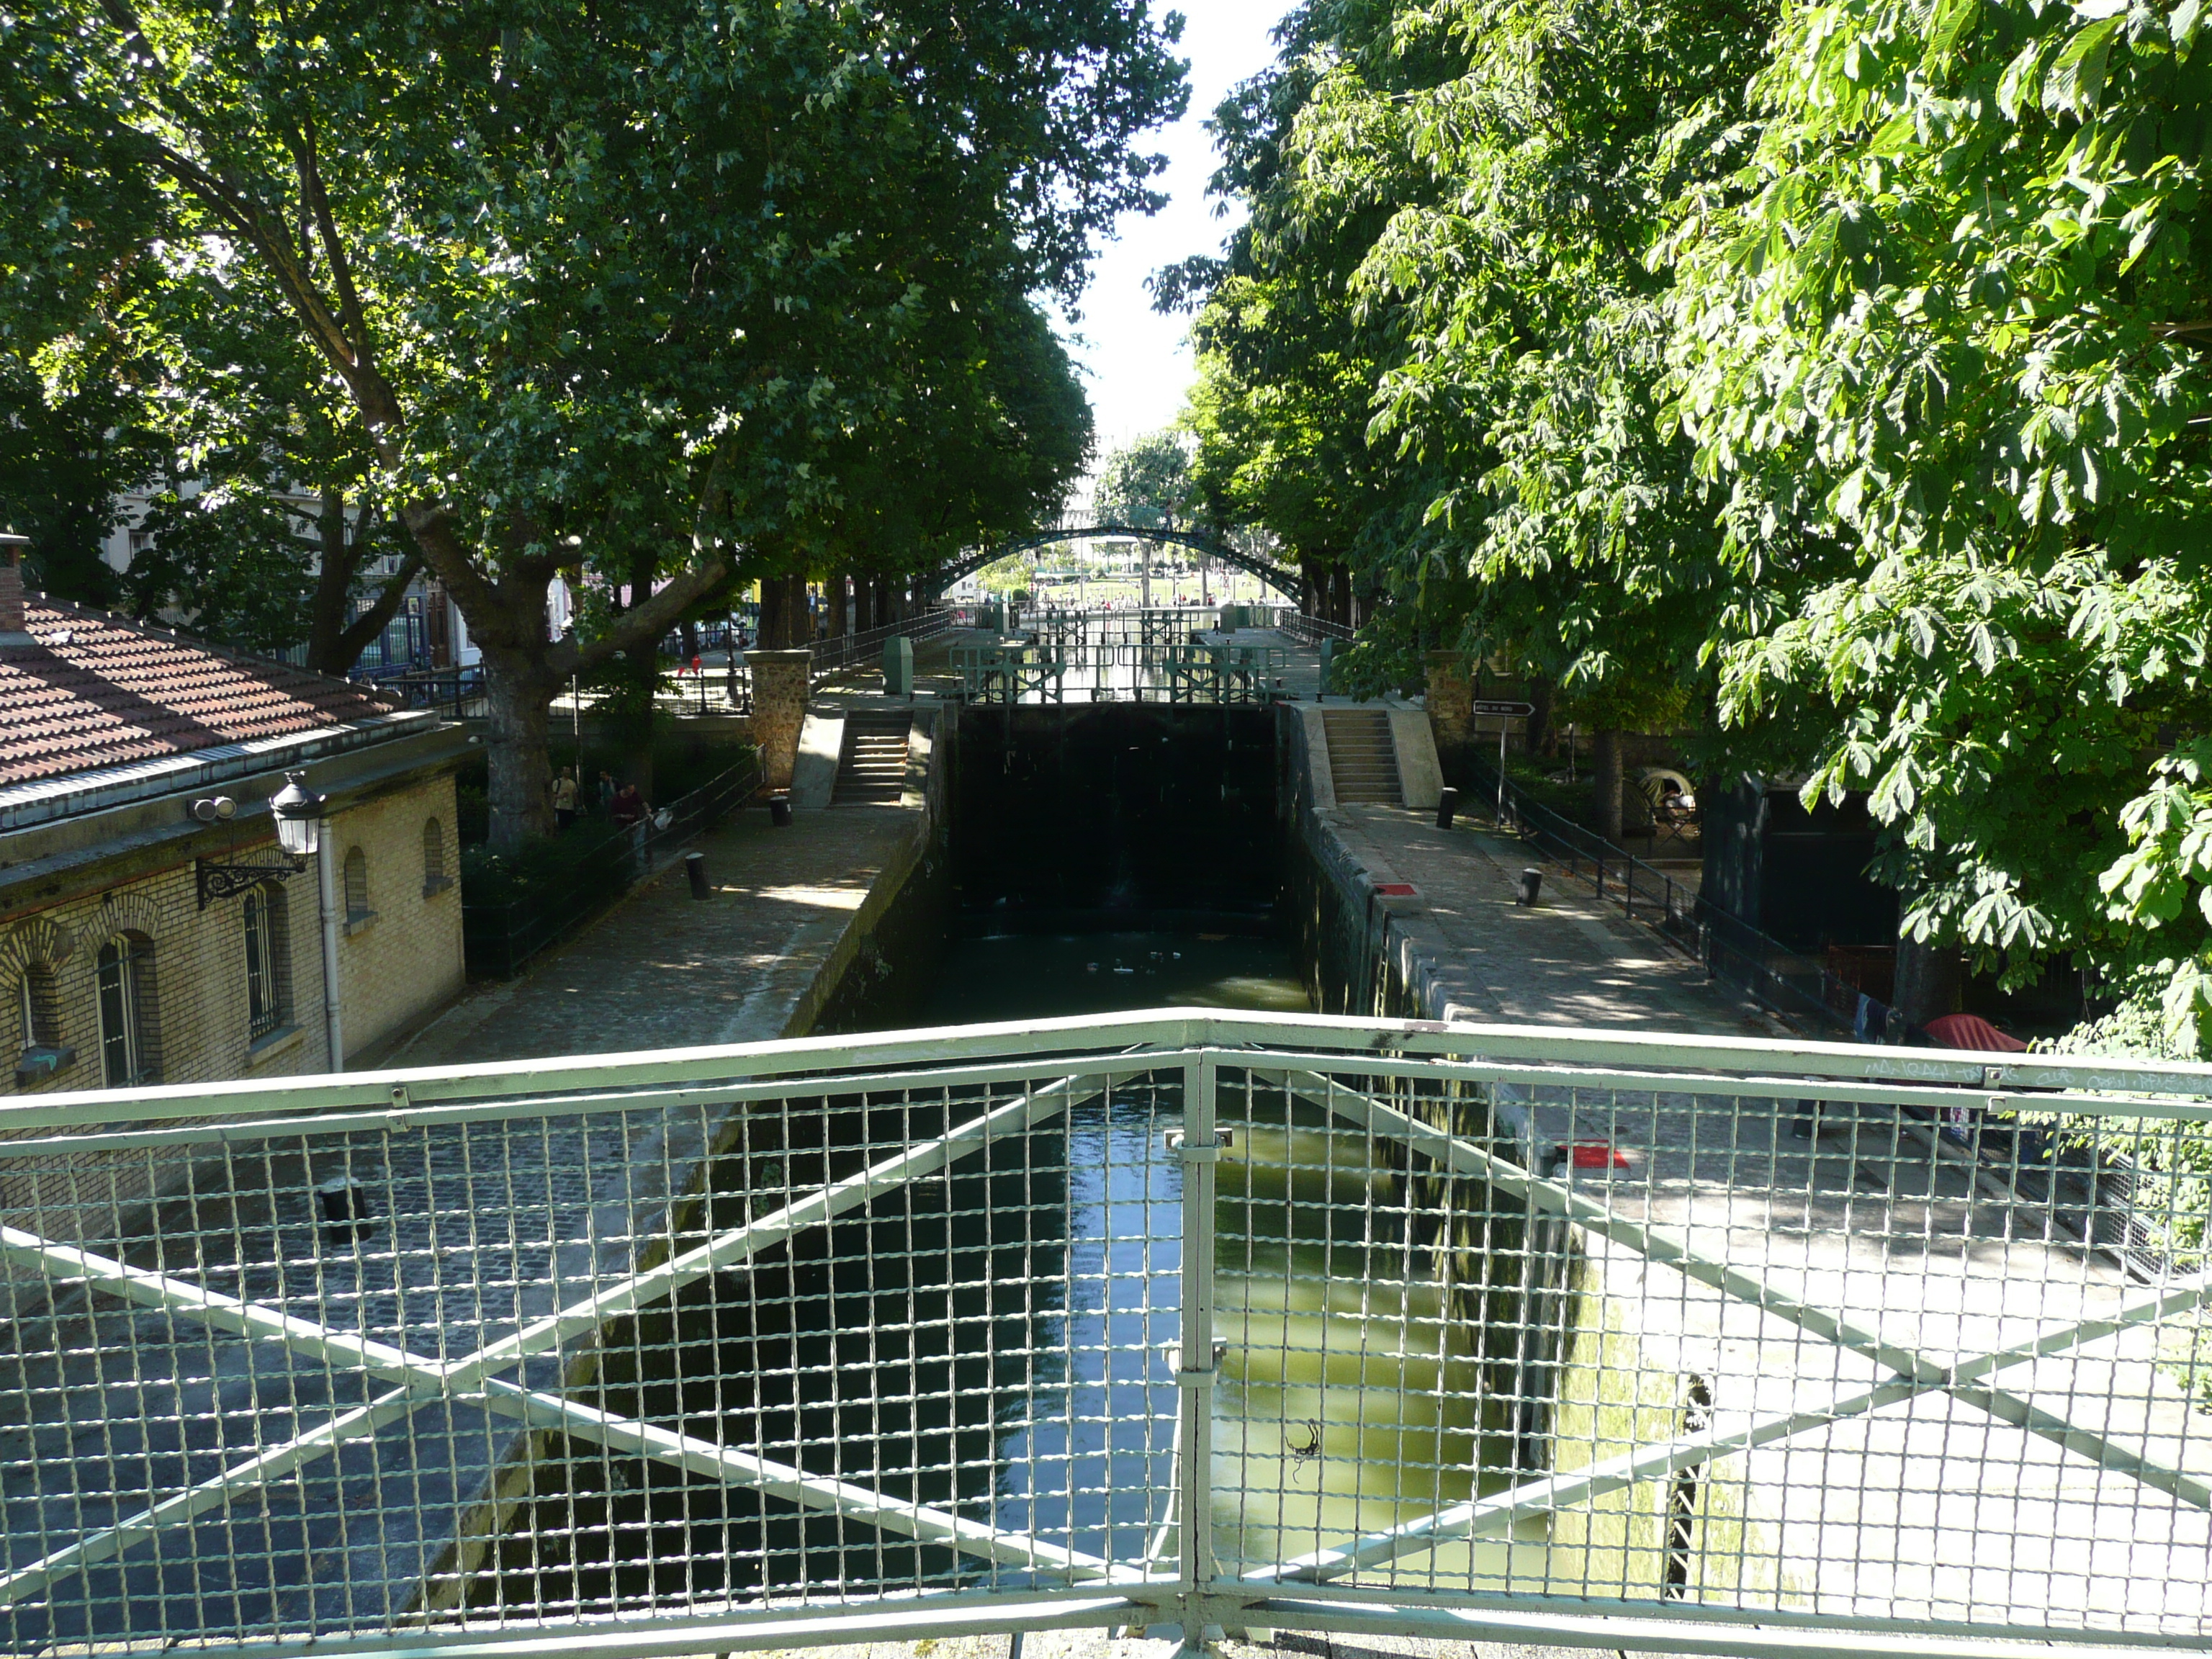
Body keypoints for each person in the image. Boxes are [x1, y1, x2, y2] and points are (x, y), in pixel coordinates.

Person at [551, 768, 580, 832]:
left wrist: (577, 804)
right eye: (566, 770)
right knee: (561, 825)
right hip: (560, 807)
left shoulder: (572, 783)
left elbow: (575, 795)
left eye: (569, 771)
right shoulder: (557, 782)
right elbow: (553, 795)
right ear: (562, 772)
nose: (567, 772)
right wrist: (561, 796)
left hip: (570, 807)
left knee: (569, 825)